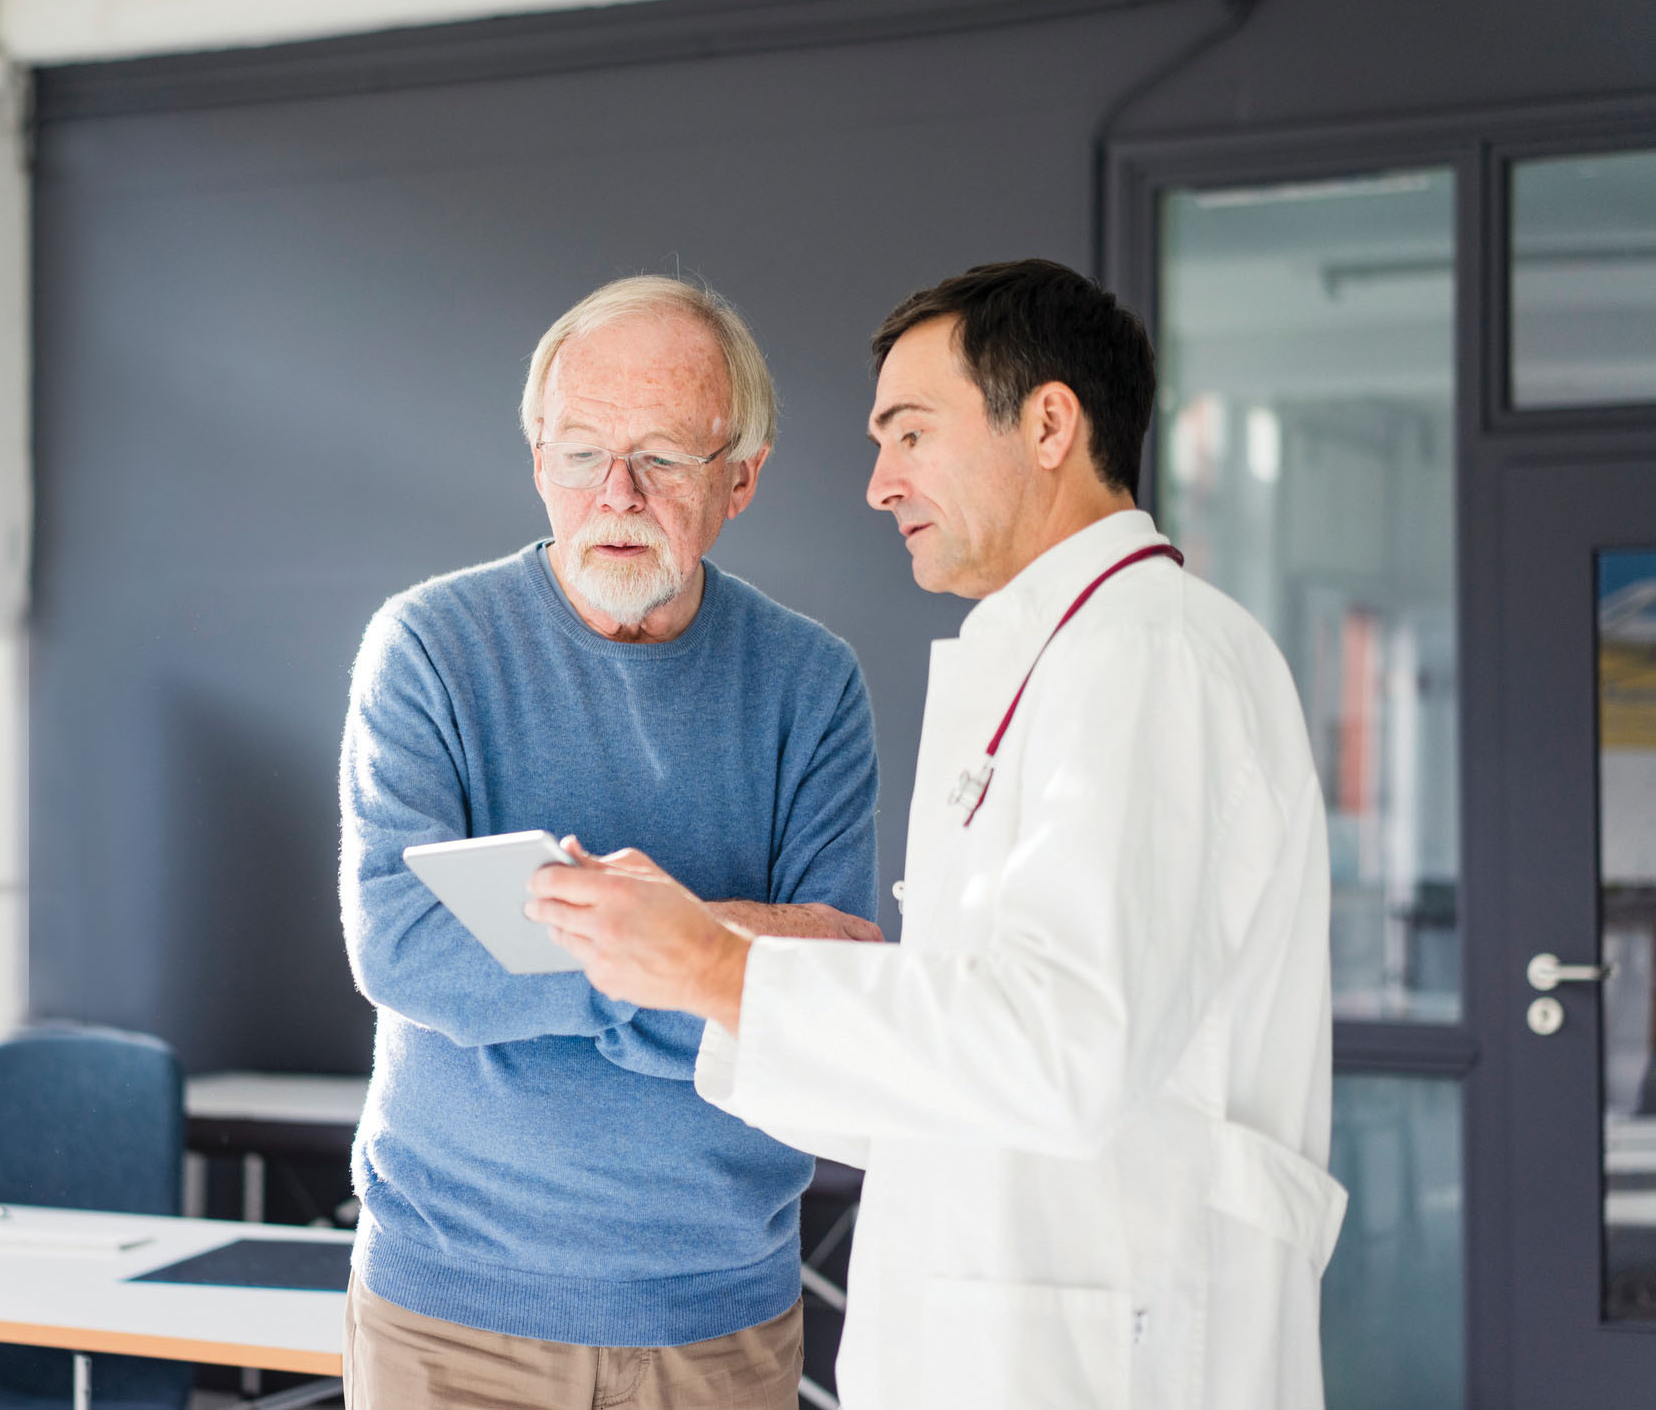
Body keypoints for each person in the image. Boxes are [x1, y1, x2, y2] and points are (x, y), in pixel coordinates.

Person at [529, 259, 1348, 1409]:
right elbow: (960, 1062)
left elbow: (1065, 1050)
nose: (877, 483)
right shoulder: (1057, 656)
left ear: (1050, 422)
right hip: (1005, 1323)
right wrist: (698, 977)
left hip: (1116, 1340)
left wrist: (720, 966)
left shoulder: (1150, 655)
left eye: (909, 433)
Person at [337, 274, 881, 1409]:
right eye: (581, 451)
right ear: (539, 458)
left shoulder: (812, 684)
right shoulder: (428, 648)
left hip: (719, 1316)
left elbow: (834, 972)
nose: (616, 492)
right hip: (452, 1315)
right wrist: (686, 957)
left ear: (741, 475)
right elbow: (400, 946)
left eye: (663, 457)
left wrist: (575, 936)